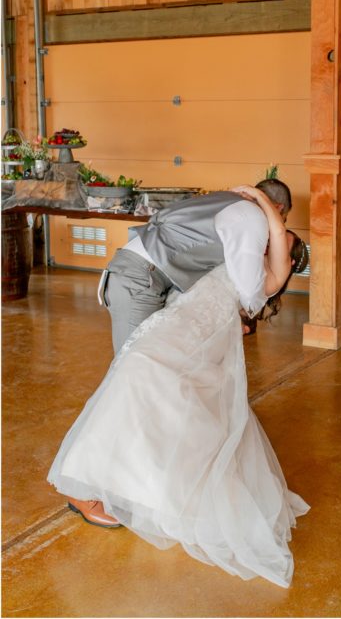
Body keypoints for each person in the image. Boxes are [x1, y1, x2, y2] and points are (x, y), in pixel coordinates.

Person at [48, 186, 310, 588]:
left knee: (151, 389)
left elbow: (250, 289)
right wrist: (265, 213)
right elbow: (240, 283)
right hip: (158, 293)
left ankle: (138, 486)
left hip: (182, 311)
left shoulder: (255, 227)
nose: (281, 232)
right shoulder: (247, 221)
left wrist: (266, 211)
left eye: (283, 236)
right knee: (134, 383)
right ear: (278, 210)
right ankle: (86, 490)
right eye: (282, 221)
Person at [98, 179, 292, 354]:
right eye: (282, 218)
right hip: (141, 277)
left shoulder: (226, 199)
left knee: (151, 365)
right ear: (277, 207)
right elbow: (249, 290)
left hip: (141, 271)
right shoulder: (253, 216)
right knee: (134, 368)